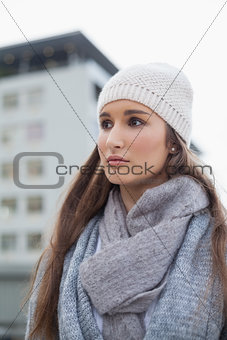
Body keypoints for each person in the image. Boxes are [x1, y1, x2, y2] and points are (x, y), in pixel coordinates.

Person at [25, 62, 227, 339]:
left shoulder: (218, 244)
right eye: (106, 124)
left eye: (134, 122)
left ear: (173, 141)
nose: (112, 141)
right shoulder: (67, 242)